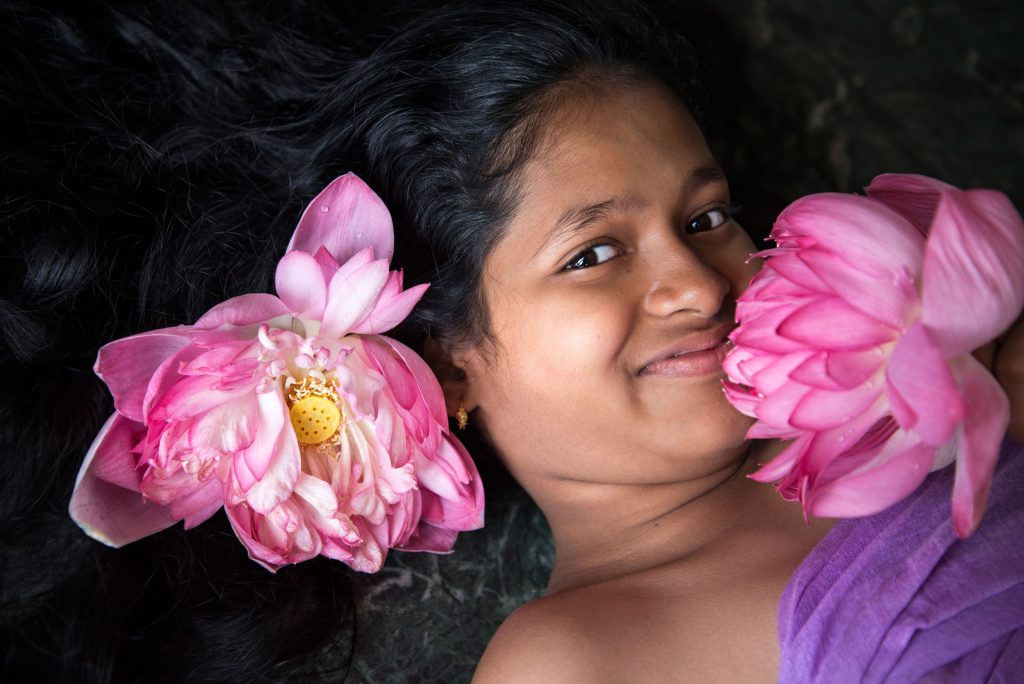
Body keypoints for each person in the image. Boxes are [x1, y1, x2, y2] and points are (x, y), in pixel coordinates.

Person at [2, 1, 1021, 682]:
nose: (701, 284)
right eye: (593, 253)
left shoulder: (916, 362)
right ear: (444, 364)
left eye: (707, 216)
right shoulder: (573, 659)